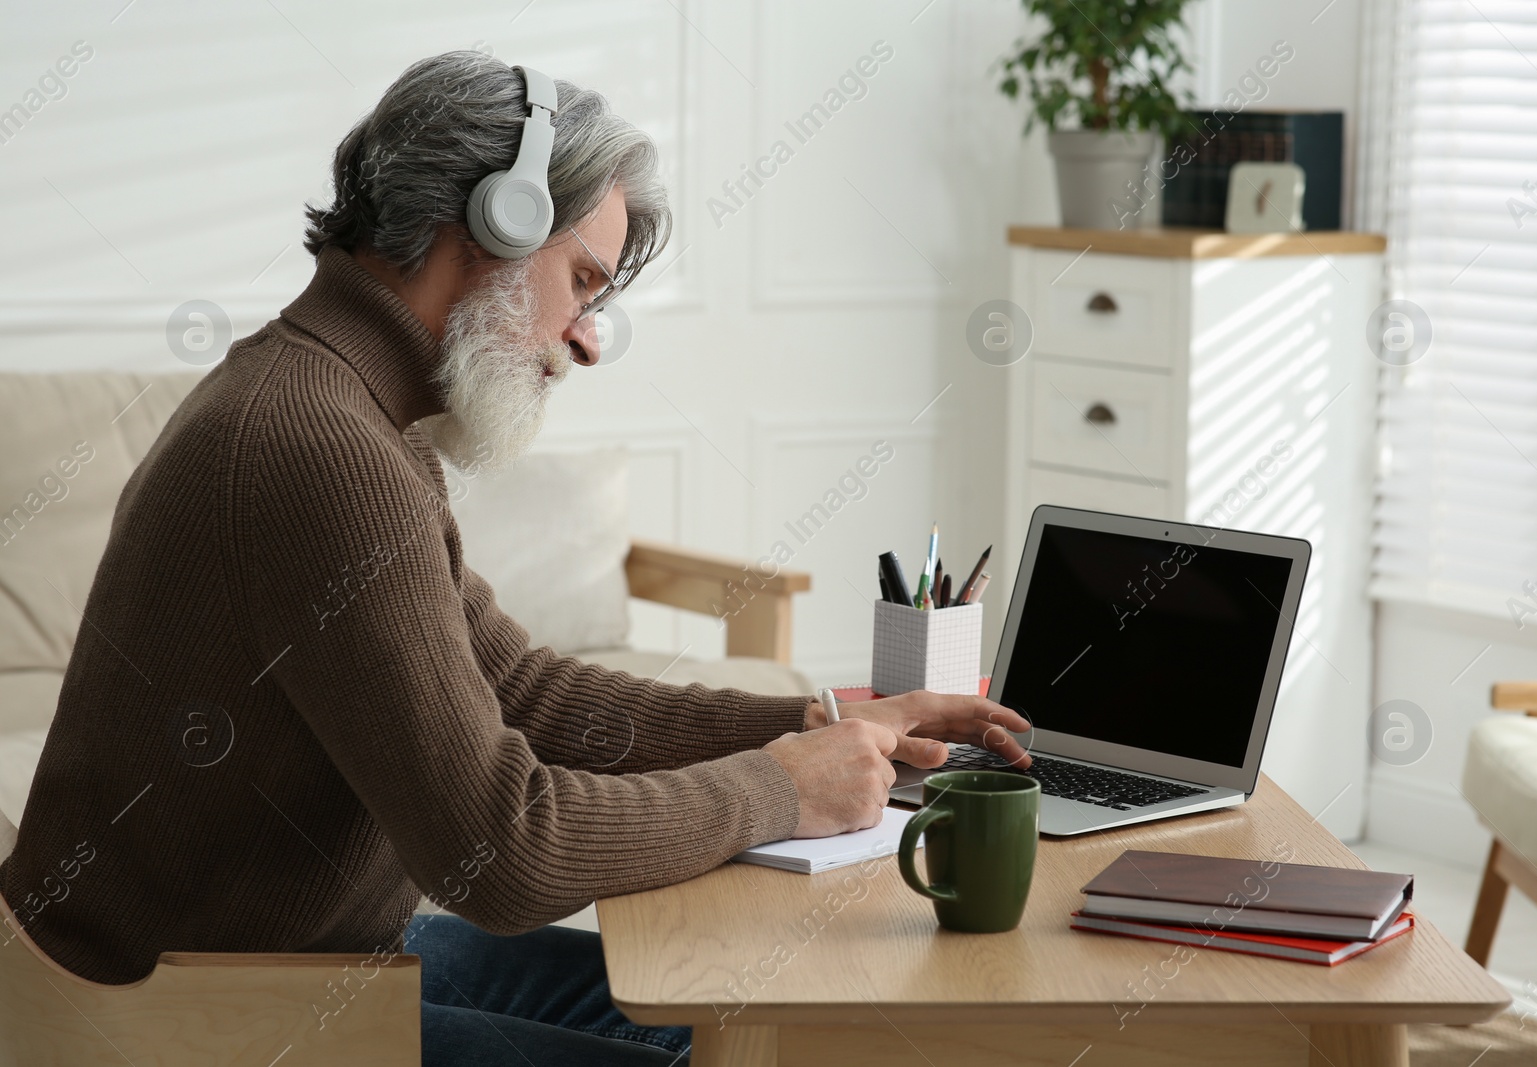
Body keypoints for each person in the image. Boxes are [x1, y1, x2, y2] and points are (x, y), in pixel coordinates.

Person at [0, 52, 1030, 1066]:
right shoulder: (316, 450)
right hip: (163, 1026)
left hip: (284, 965)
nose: (586, 339)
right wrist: (777, 788)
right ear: (498, 220)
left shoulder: (342, 409)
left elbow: (519, 689)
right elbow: (504, 847)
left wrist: (824, 729)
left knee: (757, 1019)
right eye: (581, 281)